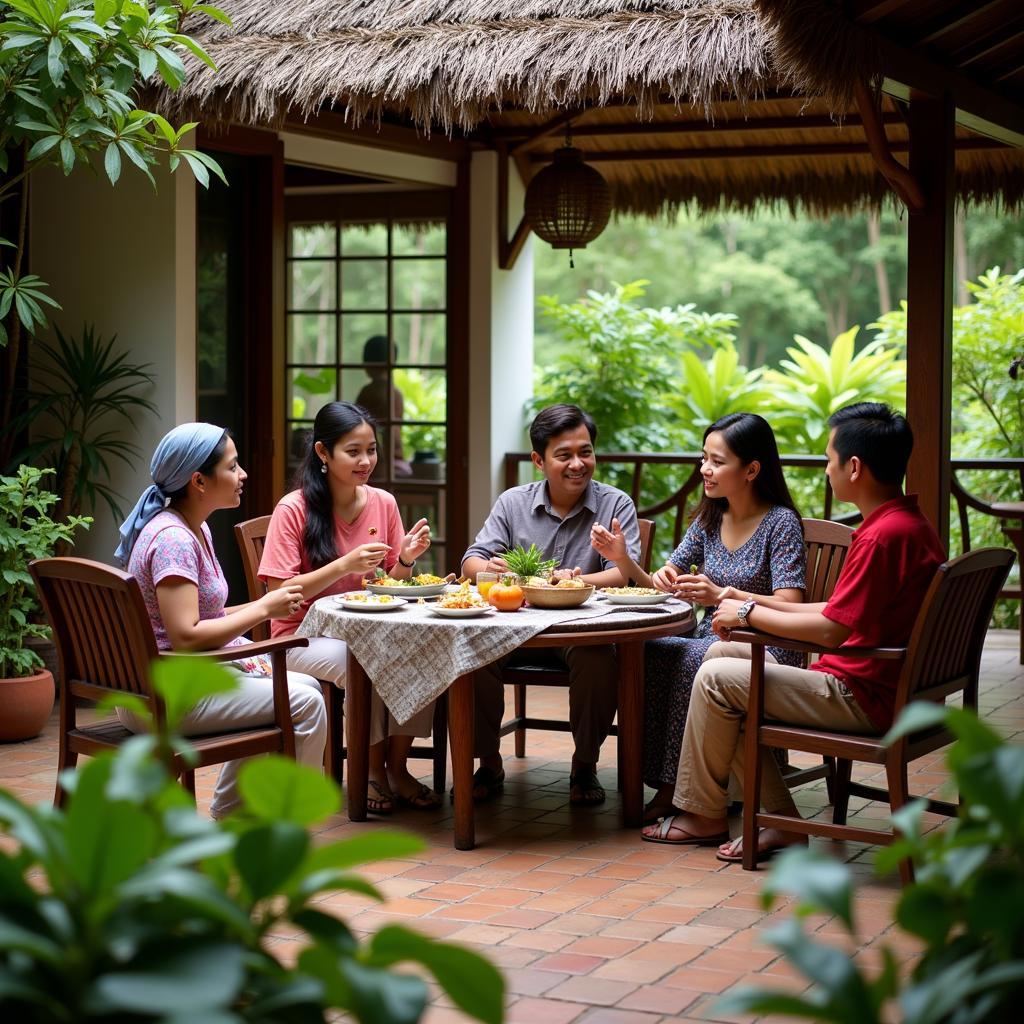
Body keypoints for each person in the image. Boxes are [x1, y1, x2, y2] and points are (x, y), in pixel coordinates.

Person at [641, 403, 945, 863]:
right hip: (888, 685)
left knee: (719, 680)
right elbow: (835, 611)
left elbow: (827, 631)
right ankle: (776, 820)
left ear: (855, 467)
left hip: (864, 693)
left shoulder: (882, 537)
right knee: (718, 661)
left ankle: (705, 812)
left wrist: (744, 613)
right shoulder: (903, 525)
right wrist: (744, 605)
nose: (826, 469)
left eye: (829, 458)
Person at [596, 414, 807, 825]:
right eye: (703, 458)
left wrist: (723, 594)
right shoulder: (710, 518)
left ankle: (680, 790)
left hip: (767, 641)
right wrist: (626, 562)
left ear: (751, 470)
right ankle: (662, 781)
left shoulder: (779, 523)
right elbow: (661, 585)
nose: (704, 470)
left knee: (692, 658)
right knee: (652, 652)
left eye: (716, 461)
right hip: (711, 638)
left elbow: (790, 600)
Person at [115, 423, 328, 820]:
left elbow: (202, 618)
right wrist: (264, 609)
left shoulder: (194, 528)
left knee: (305, 686)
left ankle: (234, 812)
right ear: (198, 480)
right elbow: (187, 637)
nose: (243, 474)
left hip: (174, 680)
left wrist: (264, 604)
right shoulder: (173, 539)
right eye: (232, 467)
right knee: (306, 702)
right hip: (167, 697)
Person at [257, 401, 437, 814]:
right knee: (367, 659)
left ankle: (397, 766)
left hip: (365, 629)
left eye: (371, 450)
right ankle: (370, 770)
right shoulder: (294, 509)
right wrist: (343, 565)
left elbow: (390, 586)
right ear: (323, 453)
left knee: (424, 647)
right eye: (352, 451)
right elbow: (279, 592)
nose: (365, 461)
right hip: (300, 634)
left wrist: (405, 559)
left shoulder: (383, 503)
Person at [461, 403, 642, 806]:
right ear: (539, 461)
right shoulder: (512, 503)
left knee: (598, 659)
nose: (578, 464)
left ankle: (584, 764)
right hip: (511, 630)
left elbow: (623, 574)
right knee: (470, 653)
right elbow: (471, 560)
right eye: (564, 455)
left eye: (586, 452)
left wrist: (571, 581)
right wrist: (487, 567)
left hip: (578, 630)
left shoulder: (616, 505)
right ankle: (488, 762)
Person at [356, 335, 412, 478]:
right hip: (396, 459)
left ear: (367, 363)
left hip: (377, 463)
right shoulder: (396, 393)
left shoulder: (368, 392)